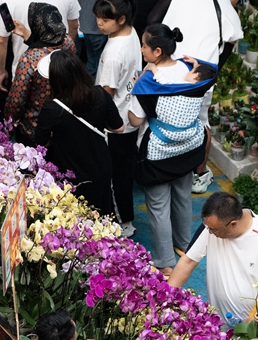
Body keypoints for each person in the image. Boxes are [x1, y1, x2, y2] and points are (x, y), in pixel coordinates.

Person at [128, 26, 212, 271]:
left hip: (158, 154)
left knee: (158, 207)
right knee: (183, 197)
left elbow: (135, 121)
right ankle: (185, 245)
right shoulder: (191, 71)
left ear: (156, 51)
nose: (141, 49)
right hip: (189, 148)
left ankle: (165, 262)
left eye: (143, 45)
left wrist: (138, 84)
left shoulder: (148, 82)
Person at [156, 0, 241, 193]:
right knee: (201, 123)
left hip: (171, 69)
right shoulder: (222, 6)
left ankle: (171, 169)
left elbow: (155, 19)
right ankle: (199, 174)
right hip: (200, 75)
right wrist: (216, 63)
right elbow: (234, 35)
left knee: (168, 121)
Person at [168, 191, 258, 321]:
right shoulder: (210, 227)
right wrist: (166, 297)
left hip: (257, 330)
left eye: (214, 230)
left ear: (233, 224)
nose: (210, 232)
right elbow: (188, 261)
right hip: (219, 324)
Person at [35, 51, 123, 216]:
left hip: (70, 173)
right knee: (103, 215)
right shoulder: (101, 94)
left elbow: (41, 142)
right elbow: (118, 127)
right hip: (100, 166)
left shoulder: (52, 108)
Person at [94, 0, 141, 237]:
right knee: (124, 173)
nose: (99, 23)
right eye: (98, 17)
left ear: (120, 19)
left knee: (115, 178)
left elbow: (106, 95)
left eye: (105, 19)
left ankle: (124, 223)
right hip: (130, 116)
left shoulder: (114, 54)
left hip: (115, 124)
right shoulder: (131, 34)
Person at [3, 4, 74, 144]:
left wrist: (8, 122)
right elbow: (49, 48)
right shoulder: (68, 42)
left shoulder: (29, 59)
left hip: (35, 129)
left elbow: (16, 100)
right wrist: (28, 36)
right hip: (64, 123)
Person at [0, 0, 80, 90]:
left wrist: (1, 71)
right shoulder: (69, 42)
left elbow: (0, 40)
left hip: (26, 74)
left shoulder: (28, 59)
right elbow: (73, 25)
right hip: (62, 69)